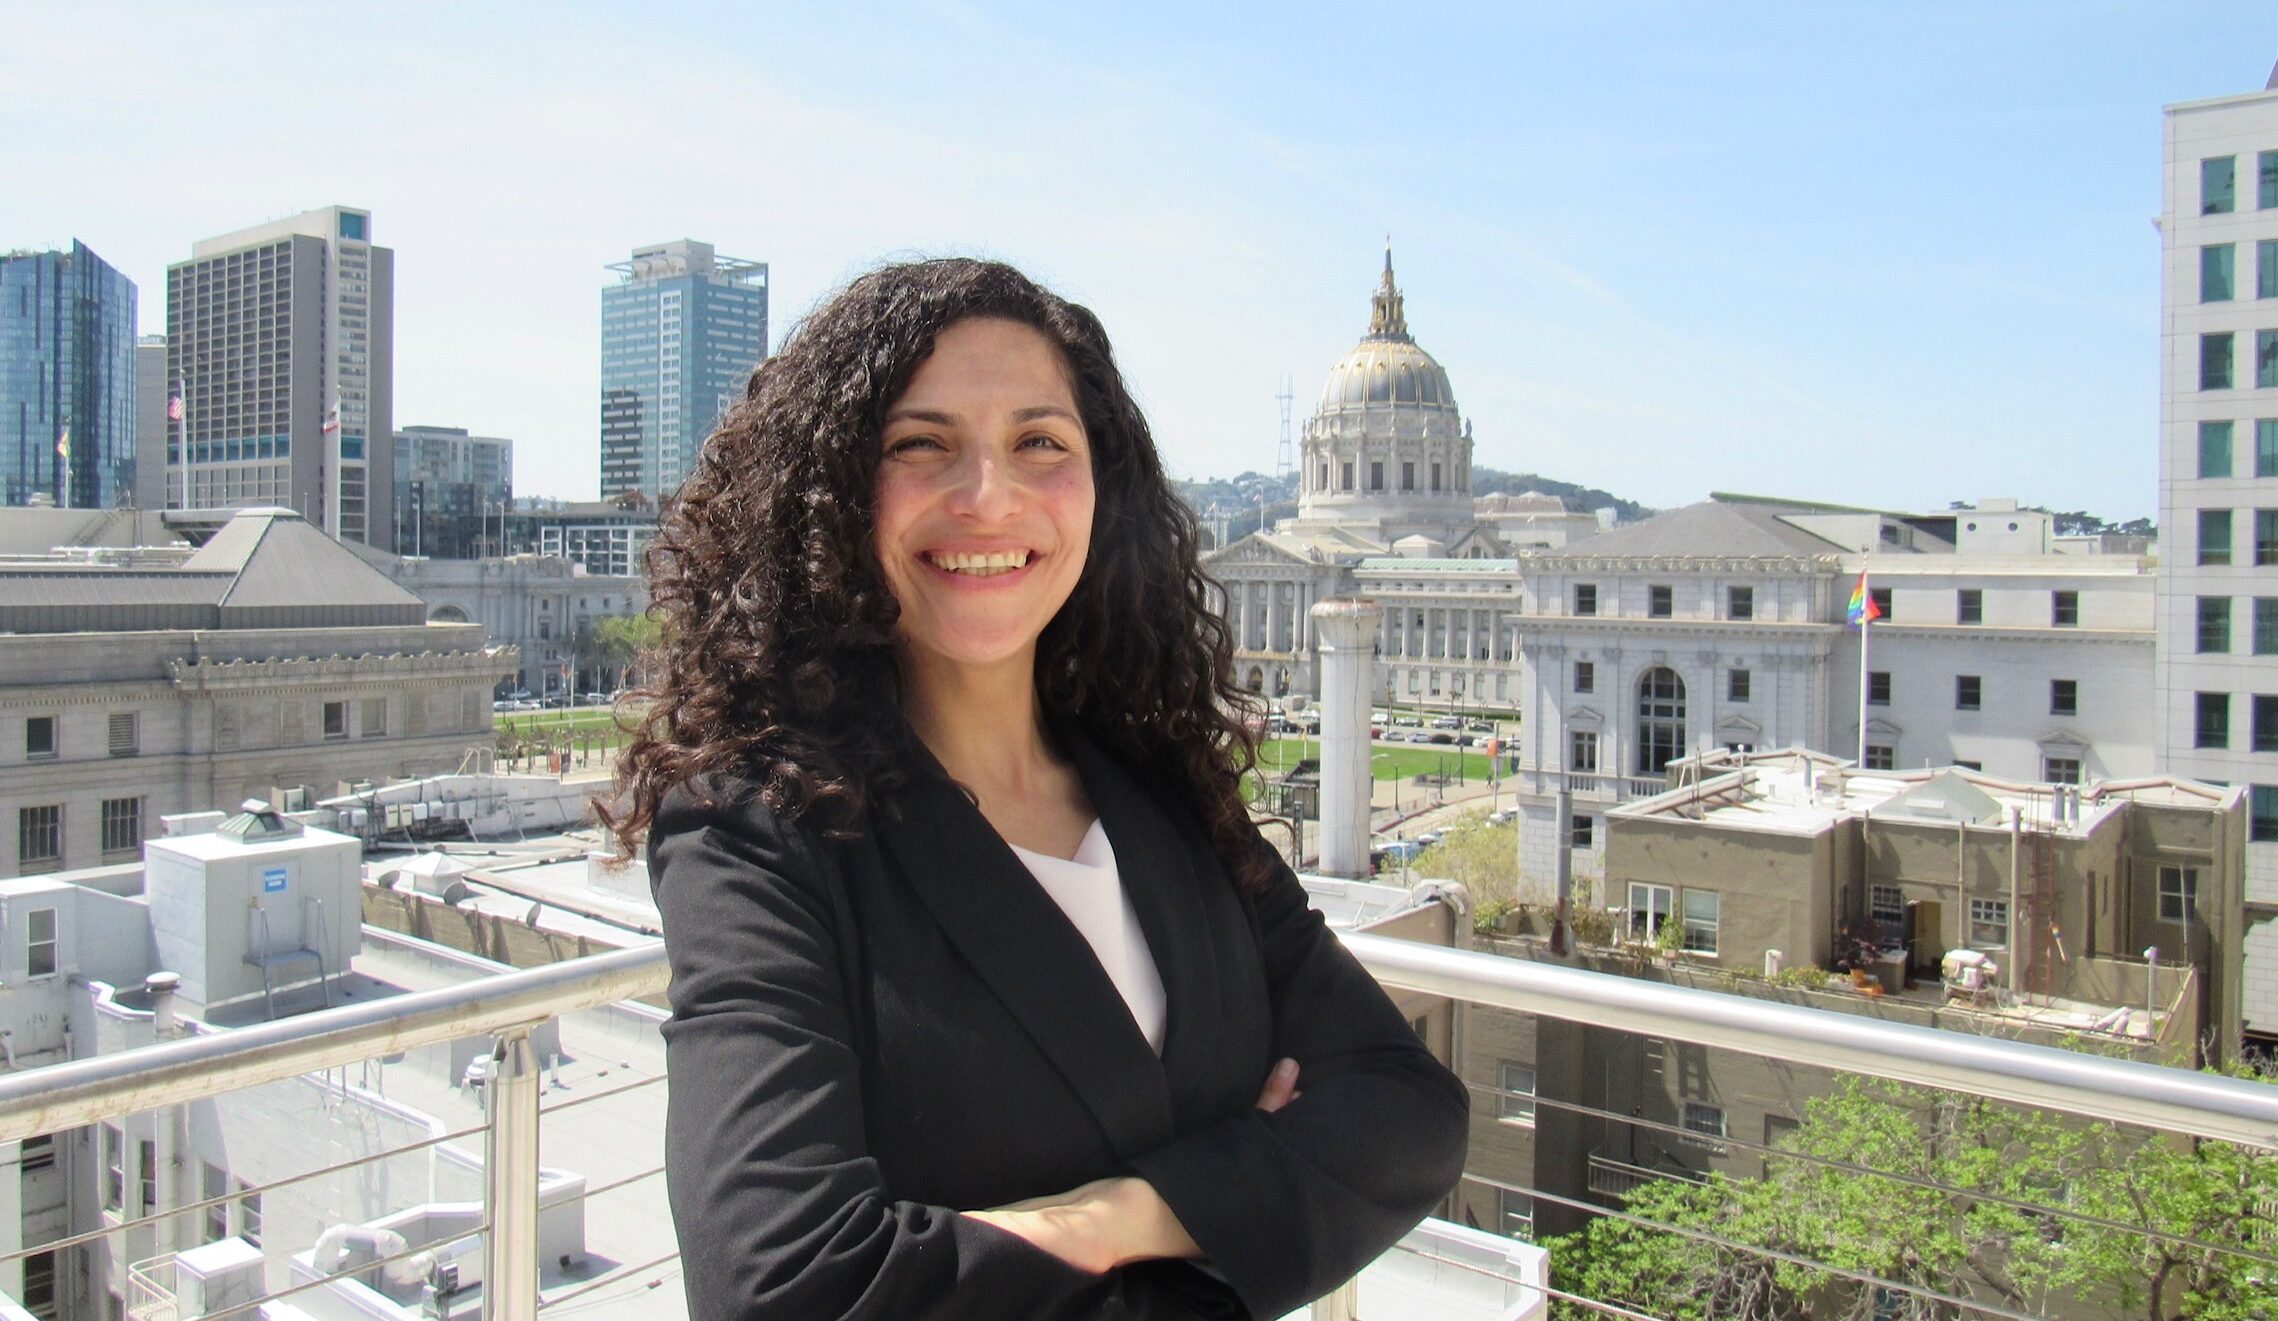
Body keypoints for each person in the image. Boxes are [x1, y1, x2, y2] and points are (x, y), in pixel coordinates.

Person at [607, 258, 1469, 1320]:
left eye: (1039, 442)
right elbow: (781, 1290)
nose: (987, 496)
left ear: (1102, 485)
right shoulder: (754, 827)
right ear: (832, 489)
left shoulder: (1163, 786)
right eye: (919, 443)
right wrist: (1232, 1188)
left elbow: (1410, 1110)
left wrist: (1100, 1218)